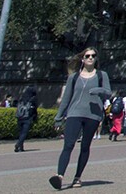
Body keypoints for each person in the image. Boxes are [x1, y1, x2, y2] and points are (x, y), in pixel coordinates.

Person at [50, 47, 112, 191]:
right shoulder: (74, 77)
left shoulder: (102, 75)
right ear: (82, 59)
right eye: (87, 56)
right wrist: (59, 117)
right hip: (74, 113)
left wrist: (99, 90)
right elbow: (66, 99)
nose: (90, 58)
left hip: (93, 115)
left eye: (93, 56)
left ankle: (77, 177)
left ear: (96, 59)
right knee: (68, 145)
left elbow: (108, 93)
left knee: (85, 146)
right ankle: (59, 176)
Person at [14, 86, 39, 152]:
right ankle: (18, 144)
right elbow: (34, 110)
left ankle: (21, 148)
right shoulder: (33, 99)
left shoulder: (22, 98)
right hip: (27, 118)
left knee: (21, 133)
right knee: (24, 133)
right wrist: (34, 118)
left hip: (19, 117)